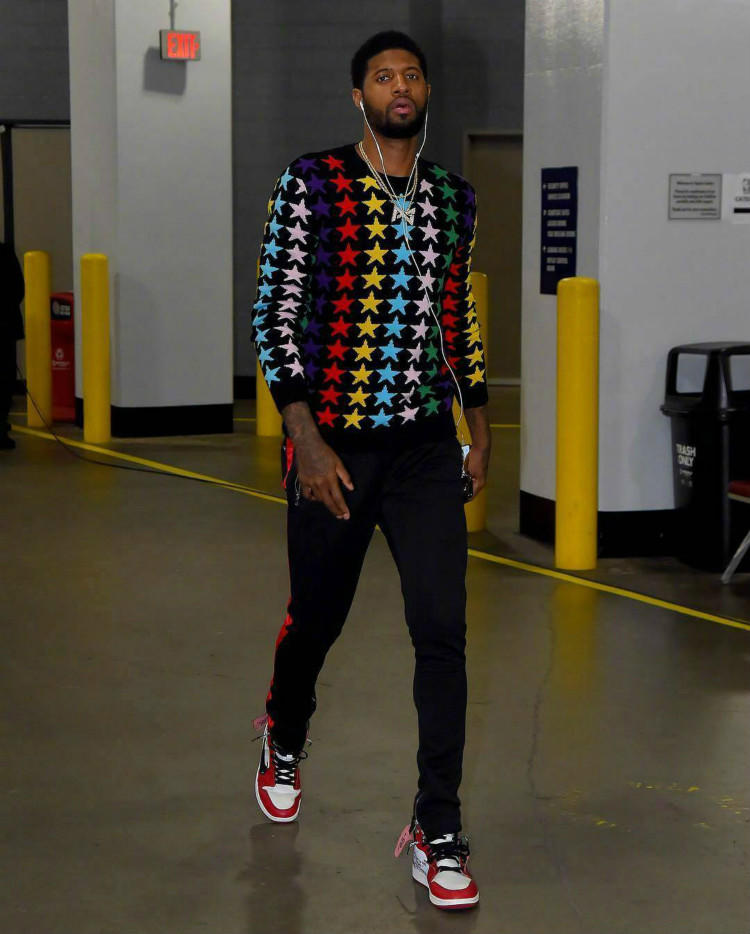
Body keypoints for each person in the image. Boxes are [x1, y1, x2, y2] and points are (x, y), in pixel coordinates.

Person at [251, 30, 490, 911]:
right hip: (335, 447)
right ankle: (284, 732)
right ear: (360, 95)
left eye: (412, 75)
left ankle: (439, 826)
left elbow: (456, 321)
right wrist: (304, 435)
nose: (400, 86)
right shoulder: (312, 183)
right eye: (383, 76)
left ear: (426, 93)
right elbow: (274, 313)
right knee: (317, 619)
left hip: (424, 448)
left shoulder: (454, 200)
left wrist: (478, 424)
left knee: (442, 628)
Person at [0, 239, 25, 449]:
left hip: (5, 327)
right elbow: (18, 290)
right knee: (4, 381)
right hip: (4, 327)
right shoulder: (5, 253)